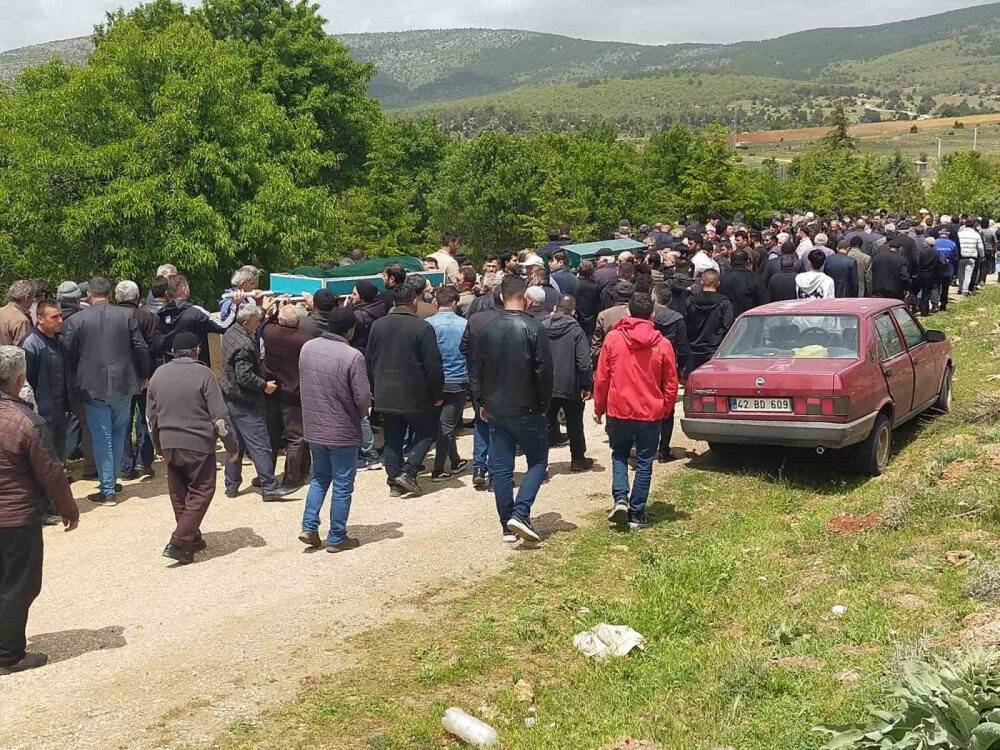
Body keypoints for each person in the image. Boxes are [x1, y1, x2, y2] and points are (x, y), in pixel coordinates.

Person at [0, 346, 78, 675]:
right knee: (19, 584)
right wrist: (68, 509)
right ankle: (9, 655)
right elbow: (51, 472)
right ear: (19, 381)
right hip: (16, 517)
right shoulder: (26, 421)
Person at [469, 274, 553, 544]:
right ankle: (520, 512)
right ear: (526, 297)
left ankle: (507, 525)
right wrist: (544, 404)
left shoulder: (486, 328)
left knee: (501, 468)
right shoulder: (534, 327)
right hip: (528, 405)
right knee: (538, 461)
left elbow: (476, 370)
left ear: (502, 297)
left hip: (496, 407)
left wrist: (480, 402)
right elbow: (543, 371)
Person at [146, 332, 237, 565]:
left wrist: (158, 444)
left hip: (168, 442)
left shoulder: (158, 375)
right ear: (196, 350)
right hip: (197, 443)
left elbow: (150, 418)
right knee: (202, 490)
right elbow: (219, 417)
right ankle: (179, 541)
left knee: (179, 492)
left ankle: (191, 539)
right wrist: (231, 445)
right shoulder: (204, 374)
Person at [61, 277, 150, 505]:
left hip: (92, 385)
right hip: (124, 382)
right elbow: (141, 347)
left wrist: (73, 382)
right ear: (109, 294)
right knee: (119, 432)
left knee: (103, 436)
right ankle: (113, 480)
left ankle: (108, 489)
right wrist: (143, 375)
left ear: (89, 295)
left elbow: (67, 354)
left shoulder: (77, 319)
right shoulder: (126, 315)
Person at [593, 294, 678, 530]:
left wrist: (599, 407)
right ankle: (637, 514)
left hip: (619, 409)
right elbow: (671, 383)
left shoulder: (612, 339)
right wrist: (666, 409)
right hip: (650, 412)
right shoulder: (662, 344)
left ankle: (621, 498)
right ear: (652, 314)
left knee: (619, 454)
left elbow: (601, 377)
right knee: (643, 462)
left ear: (628, 314)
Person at [297, 308, 372, 553]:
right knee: (342, 483)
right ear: (350, 330)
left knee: (320, 477)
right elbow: (362, 397)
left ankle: (309, 525)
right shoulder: (353, 356)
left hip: (314, 426)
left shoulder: (307, 348)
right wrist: (362, 415)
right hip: (342, 429)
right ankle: (337, 536)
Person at [366, 277, 444, 497]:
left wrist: (374, 389)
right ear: (413, 302)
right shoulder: (422, 327)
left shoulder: (378, 325)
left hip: (385, 391)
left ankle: (394, 482)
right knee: (429, 431)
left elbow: (369, 359)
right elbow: (433, 365)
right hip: (415, 393)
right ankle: (408, 473)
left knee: (393, 436)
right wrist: (437, 393)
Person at [220, 304, 294, 501]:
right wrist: (264, 385)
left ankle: (231, 485)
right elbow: (244, 376)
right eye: (257, 320)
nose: (259, 323)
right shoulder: (244, 344)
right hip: (247, 402)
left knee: (235, 444)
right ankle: (269, 487)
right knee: (260, 444)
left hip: (230, 399)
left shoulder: (230, 333)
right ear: (247, 321)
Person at [262, 304, 313, 488]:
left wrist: (274, 309)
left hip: (273, 390)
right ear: (298, 321)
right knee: (297, 436)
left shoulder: (270, 332)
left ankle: (268, 475)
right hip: (296, 392)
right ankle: (293, 477)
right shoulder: (305, 339)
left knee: (272, 436)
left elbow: (266, 322)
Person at [116, 280, 163, 480]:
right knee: (147, 419)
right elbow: (156, 345)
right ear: (137, 297)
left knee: (122, 422)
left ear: (117, 298)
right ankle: (146, 462)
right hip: (146, 375)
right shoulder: (147, 317)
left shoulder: (111, 317)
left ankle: (126, 466)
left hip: (119, 377)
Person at [541, 295, 593, 473]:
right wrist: (587, 385)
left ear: (555, 308)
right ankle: (578, 459)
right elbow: (584, 362)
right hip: (571, 385)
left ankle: (541, 464)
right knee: (574, 422)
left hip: (546, 384)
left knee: (545, 424)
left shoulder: (541, 327)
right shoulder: (576, 330)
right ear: (573, 311)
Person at [461, 288, 504, 491]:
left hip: (477, 378)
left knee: (481, 422)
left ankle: (479, 468)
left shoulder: (474, 321)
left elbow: (463, 348)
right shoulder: (505, 319)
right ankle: (496, 474)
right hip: (500, 378)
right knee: (500, 427)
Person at [426, 287, 470, 481]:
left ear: (437, 302)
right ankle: (439, 469)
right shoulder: (464, 324)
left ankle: (455, 459)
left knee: (444, 423)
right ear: (454, 303)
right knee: (448, 424)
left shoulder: (428, 324)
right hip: (458, 379)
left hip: (434, 381)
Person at [651, 284, 689, 462]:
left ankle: (646, 448)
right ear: (670, 300)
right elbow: (682, 348)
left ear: (654, 298)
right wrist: (681, 367)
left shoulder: (647, 315)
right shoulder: (676, 318)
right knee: (668, 409)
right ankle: (664, 451)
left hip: (647, 365)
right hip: (668, 365)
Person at [157, 275, 233, 361]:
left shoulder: (161, 315)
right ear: (184, 289)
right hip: (196, 365)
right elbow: (223, 326)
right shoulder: (195, 312)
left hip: (171, 367)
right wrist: (234, 305)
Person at [685, 269, 733, 377]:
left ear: (701, 282)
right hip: (715, 351)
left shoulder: (690, 301)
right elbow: (728, 327)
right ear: (718, 283)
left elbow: (685, 323)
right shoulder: (725, 303)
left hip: (693, 350)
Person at [718, 249, 769, 316]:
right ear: (747, 261)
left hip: (727, 320)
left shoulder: (721, 280)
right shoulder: (755, 278)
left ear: (730, 261)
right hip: (749, 319)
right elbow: (764, 302)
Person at [591, 281, 634, 360]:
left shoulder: (604, 315)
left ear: (615, 296)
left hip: (609, 359)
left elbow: (596, 345)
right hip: (632, 360)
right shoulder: (637, 314)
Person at [932, 227, 959, 312]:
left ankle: (935, 304)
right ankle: (943, 305)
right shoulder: (952, 244)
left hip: (936, 269)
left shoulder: (934, 243)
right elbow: (956, 257)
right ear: (948, 235)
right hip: (948, 269)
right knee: (945, 288)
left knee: (935, 287)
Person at [0, 280, 33, 347]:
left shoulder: (1, 311)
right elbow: (24, 350)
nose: (33, 300)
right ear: (27, 298)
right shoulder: (22, 321)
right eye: (33, 297)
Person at [957, 217, 984, 296]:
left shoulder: (959, 233)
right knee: (968, 274)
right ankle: (965, 290)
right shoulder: (976, 234)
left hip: (961, 256)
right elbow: (980, 247)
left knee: (960, 273)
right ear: (973, 225)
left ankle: (960, 288)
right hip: (971, 257)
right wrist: (982, 255)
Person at [574, 260, 600, 340]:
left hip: (577, 316)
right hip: (591, 317)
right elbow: (597, 302)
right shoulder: (595, 285)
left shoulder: (575, 283)